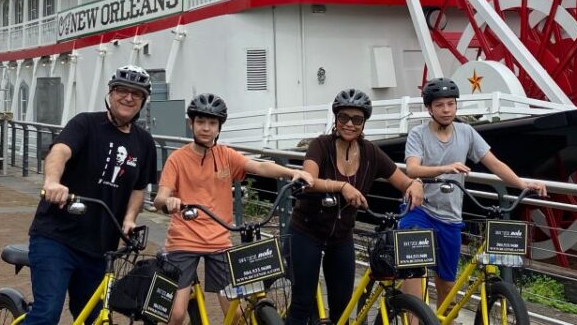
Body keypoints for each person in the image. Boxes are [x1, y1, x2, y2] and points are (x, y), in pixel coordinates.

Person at [153, 93, 314, 325]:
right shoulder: (177, 159)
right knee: (176, 314)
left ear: (219, 127)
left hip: (219, 241)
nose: (206, 128)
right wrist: (168, 202)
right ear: (191, 124)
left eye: (212, 123)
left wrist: (292, 172)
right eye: (200, 122)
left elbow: (258, 166)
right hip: (183, 242)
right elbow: (160, 197)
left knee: (236, 314)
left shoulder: (226, 155)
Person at [400, 77, 547, 308]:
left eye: (450, 103)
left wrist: (521, 184)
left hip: (450, 215)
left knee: (447, 285)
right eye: (439, 105)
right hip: (420, 209)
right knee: (414, 272)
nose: (446, 110)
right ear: (429, 108)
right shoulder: (418, 134)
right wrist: (445, 168)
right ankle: (412, 317)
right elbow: (412, 168)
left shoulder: (466, 132)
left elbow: (494, 164)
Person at [26, 65, 157, 324]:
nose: (128, 98)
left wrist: (129, 219)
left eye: (136, 93)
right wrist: (52, 182)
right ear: (110, 92)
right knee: (47, 313)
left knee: (96, 318)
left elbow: (138, 189)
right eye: (122, 90)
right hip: (57, 238)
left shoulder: (144, 142)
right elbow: (59, 151)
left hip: (101, 249)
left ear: (142, 101)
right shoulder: (86, 123)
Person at [285, 89, 426, 325]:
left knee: (342, 307)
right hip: (307, 231)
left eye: (357, 119)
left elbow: (402, 180)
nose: (349, 124)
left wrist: (415, 184)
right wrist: (341, 186)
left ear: (364, 123)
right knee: (302, 303)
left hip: (342, 236)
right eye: (344, 118)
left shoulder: (371, 152)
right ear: (336, 119)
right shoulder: (320, 146)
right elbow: (307, 181)